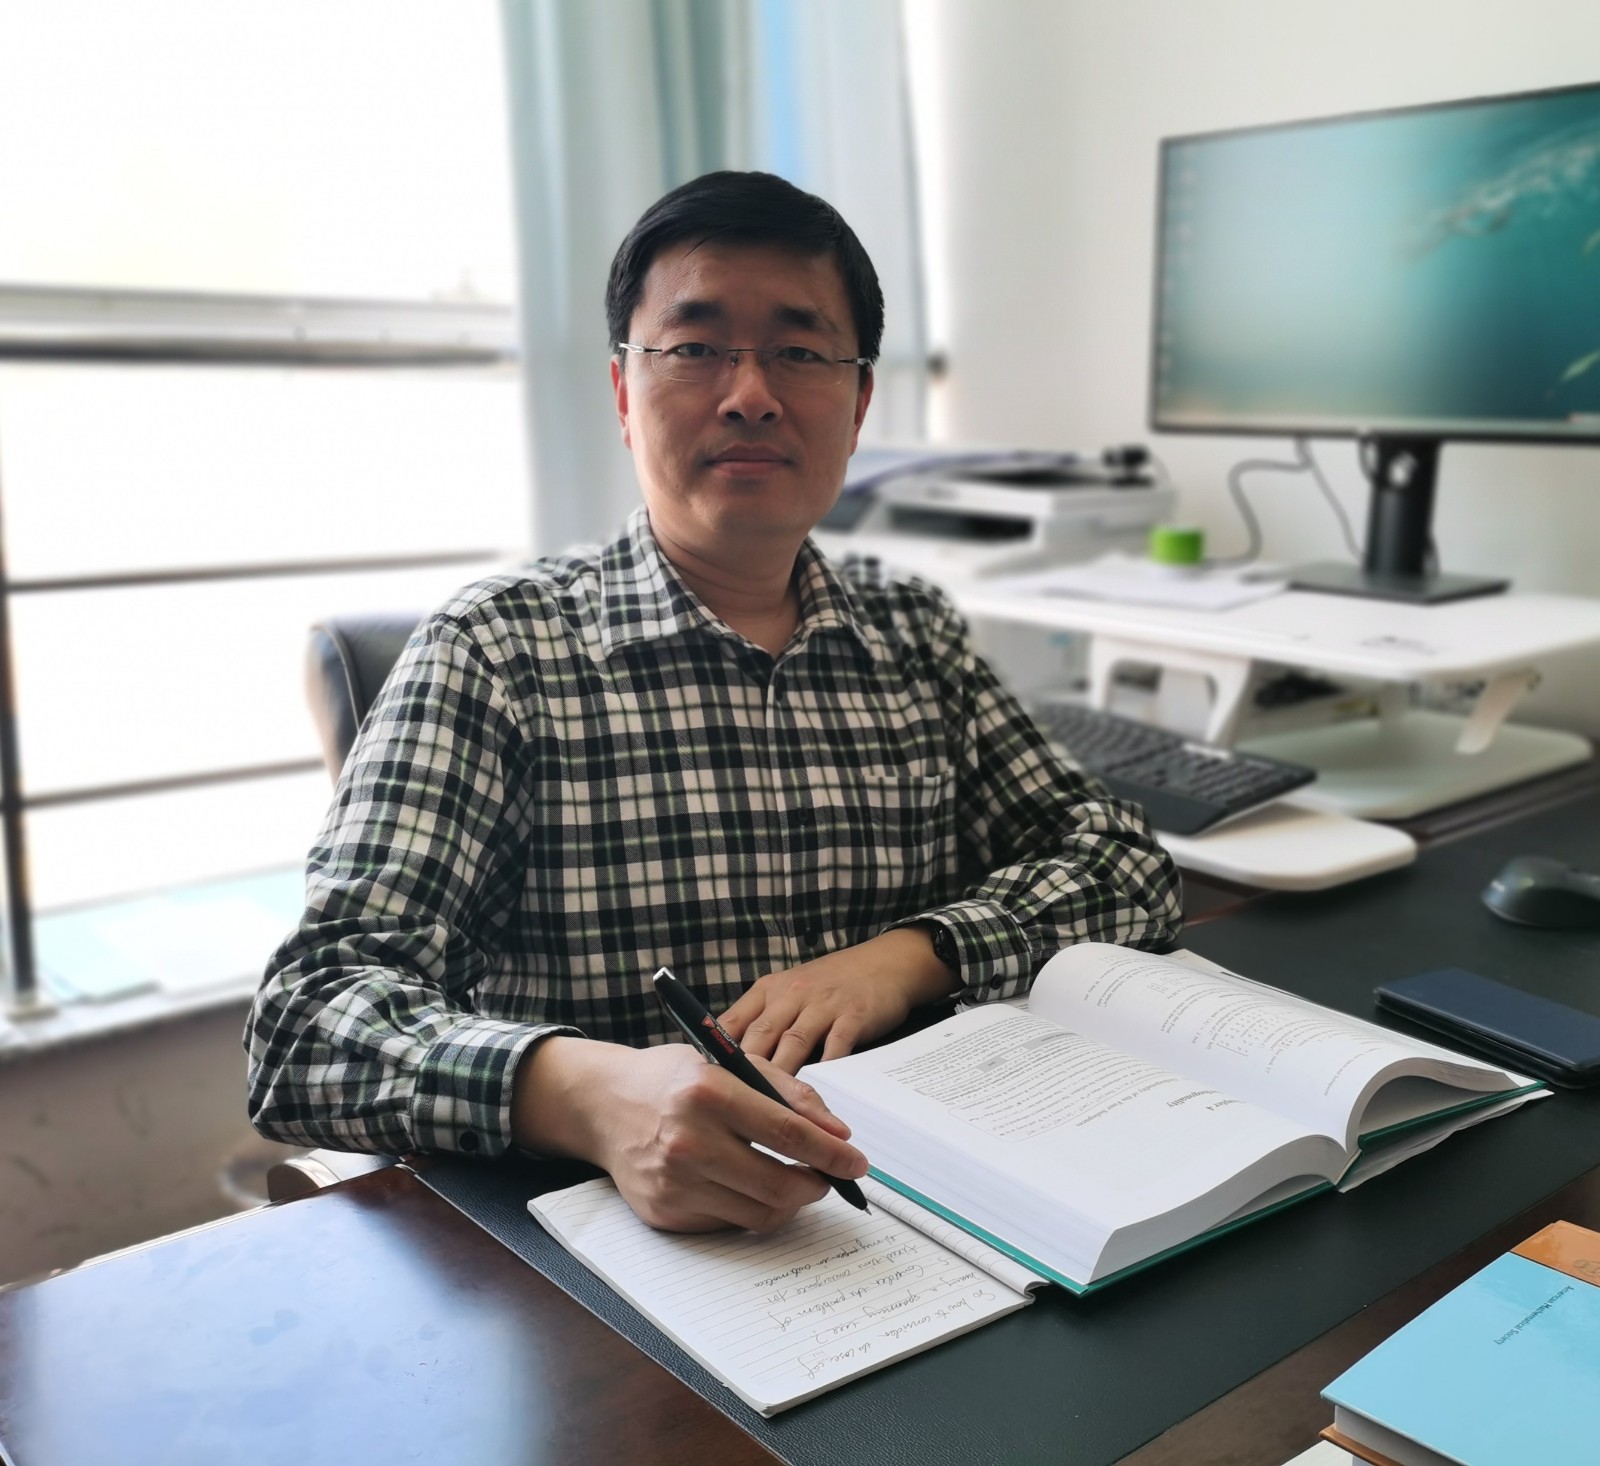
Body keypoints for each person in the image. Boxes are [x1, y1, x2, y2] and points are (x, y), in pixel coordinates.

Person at [246, 170, 1181, 1235]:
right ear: (622, 390)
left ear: (858, 403)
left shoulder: (913, 635)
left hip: (933, 1201)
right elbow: (307, 1019)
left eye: (800, 352)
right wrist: (584, 1094)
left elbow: (1121, 862)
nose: (750, 394)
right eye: (695, 348)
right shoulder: (498, 653)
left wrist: (909, 956)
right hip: (624, 1253)